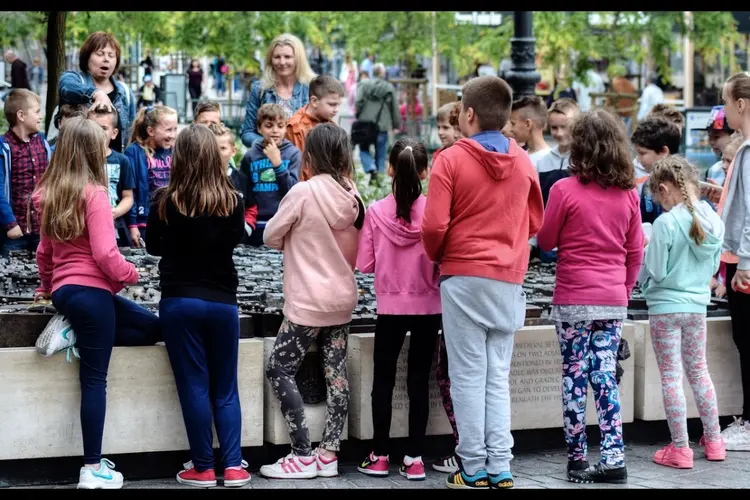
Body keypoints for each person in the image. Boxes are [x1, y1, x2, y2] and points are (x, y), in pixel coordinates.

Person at [421, 76, 544, 490]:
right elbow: (535, 222)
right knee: (497, 375)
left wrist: (441, 256)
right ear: (506, 116)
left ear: (468, 115)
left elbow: (434, 224)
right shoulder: (524, 162)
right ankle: (501, 465)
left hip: (462, 275)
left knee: (468, 375)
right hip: (507, 279)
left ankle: (472, 467)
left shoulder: (451, 160)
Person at [33, 117, 160, 489]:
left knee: (152, 325)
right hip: (92, 293)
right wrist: (133, 275)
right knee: (94, 381)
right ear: (93, 153)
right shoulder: (95, 195)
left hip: (68, 293)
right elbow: (106, 254)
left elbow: (44, 252)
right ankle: (92, 468)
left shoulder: (48, 194)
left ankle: (76, 333)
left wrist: (46, 288)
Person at [536, 109, 644, 484]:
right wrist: (624, 292)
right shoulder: (629, 195)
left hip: (572, 297)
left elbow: (546, 241)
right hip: (612, 298)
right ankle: (614, 457)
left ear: (579, 145)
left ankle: (578, 459)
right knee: (605, 377)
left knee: (574, 377)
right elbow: (635, 253)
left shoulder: (564, 190)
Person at [146, 124, 250, 488]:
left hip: (179, 301)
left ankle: (203, 467)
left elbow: (152, 247)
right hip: (223, 302)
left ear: (180, 158)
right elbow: (235, 240)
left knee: (194, 385)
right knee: (226, 388)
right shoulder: (232, 201)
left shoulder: (164, 201)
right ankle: (234, 466)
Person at [260, 123, 364, 480]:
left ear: (311, 155)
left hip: (307, 302)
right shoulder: (354, 196)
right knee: (336, 375)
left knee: (279, 367)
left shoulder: (303, 193)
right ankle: (329, 454)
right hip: (342, 300)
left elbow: (270, 235)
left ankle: (301, 453)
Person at [355, 138, 440, 481]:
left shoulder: (375, 212)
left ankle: (379, 455)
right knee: (419, 380)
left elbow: (364, 264)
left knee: (383, 381)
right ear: (425, 172)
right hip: (429, 306)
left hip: (389, 307)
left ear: (389, 169)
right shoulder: (435, 212)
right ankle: (415, 458)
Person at [640, 155, 726, 468]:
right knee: (699, 371)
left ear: (665, 190)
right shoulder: (712, 220)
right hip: (696, 307)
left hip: (665, 309)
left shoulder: (665, 224)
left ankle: (680, 448)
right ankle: (715, 440)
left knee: (672, 377)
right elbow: (714, 267)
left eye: (656, 195)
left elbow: (658, 271)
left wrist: (646, 247)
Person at [716, 72, 750, 450]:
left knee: (746, 340)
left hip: (743, 261)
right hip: (741, 257)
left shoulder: (747, 151)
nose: (726, 111)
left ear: (740, 104)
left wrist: (744, 262)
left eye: (727, 103)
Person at [57, 32, 136, 152]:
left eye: (111, 55)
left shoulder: (125, 92)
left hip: (114, 166)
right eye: (100, 54)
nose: (106, 59)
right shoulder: (76, 79)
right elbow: (65, 86)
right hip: (79, 163)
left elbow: (129, 134)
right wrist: (95, 93)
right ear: (87, 57)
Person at [239, 103, 300, 247]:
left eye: (280, 126)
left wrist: (278, 164)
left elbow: (293, 192)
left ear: (286, 128)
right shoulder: (250, 156)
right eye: (268, 125)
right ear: (259, 128)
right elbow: (243, 190)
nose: (275, 131)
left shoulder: (293, 154)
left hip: (283, 222)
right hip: (257, 223)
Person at [0, 89, 51, 258]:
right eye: (36, 112)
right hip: (14, 230)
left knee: (43, 272)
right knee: (13, 276)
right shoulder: (4, 147)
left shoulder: (42, 143)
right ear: (21, 116)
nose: (40, 116)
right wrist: (9, 223)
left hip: (42, 229)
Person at [239, 33, 314, 147]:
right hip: (268, 159)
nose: (282, 62)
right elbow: (247, 133)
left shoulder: (311, 88)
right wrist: (269, 144)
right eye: (277, 57)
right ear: (270, 60)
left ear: (298, 59)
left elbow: (322, 129)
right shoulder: (260, 90)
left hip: (302, 159)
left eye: (287, 57)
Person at [124, 105, 178, 248]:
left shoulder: (175, 151)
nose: (172, 135)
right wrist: (132, 224)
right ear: (151, 131)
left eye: (175, 129)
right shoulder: (134, 152)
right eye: (168, 130)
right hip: (144, 221)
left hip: (170, 219)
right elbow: (130, 191)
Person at [88, 106, 135, 247]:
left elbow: (128, 196)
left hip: (115, 225)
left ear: (114, 133)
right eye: (93, 128)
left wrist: (115, 212)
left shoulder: (122, 161)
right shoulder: (80, 159)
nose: (97, 133)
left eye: (103, 128)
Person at [286, 74, 345, 180]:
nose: (336, 110)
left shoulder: (332, 125)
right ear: (314, 101)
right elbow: (300, 168)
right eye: (332, 104)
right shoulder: (296, 127)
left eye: (338, 105)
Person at [208, 122, 258, 244]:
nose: (217, 153)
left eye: (223, 148)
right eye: (213, 148)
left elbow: (251, 208)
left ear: (233, 151)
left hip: (238, 243)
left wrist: (246, 229)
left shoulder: (241, 179)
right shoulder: (201, 179)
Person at [354, 63, 400, 186]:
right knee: (381, 153)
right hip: (382, 125)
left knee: (363, 149)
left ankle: (370, 167)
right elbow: (394, 108)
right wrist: (396, 124)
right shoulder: (389, 88)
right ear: (382, 73)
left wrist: (359, 115)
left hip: (365, 124)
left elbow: (358, 102)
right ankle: (379, 180)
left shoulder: (364, 84)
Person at [631, 118, 682, 220]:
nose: (638, 159)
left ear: (663, 151)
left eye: (642, 153)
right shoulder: (648, 186)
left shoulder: (688, 185)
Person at [509, 95, 551, 169]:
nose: (511, 129)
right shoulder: (522, 156)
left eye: (513, 123)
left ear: (528, 124)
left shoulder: (548, 161)